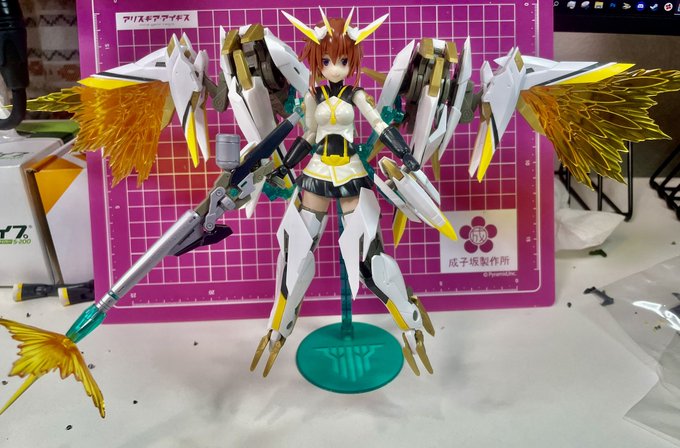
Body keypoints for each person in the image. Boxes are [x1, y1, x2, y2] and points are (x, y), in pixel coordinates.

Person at [250, 9, 435, 377]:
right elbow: (307, 135)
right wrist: (287, 166)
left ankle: (409, 319)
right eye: (328, 61)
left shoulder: (357, 94)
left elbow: (379, 125)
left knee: (368, 258)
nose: (335, 68)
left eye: (343, 61)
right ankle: (278, 327)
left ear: (352, 62)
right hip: (317, 173)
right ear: (317, 62)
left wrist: (403, 153)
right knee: (296, 251)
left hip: (351, 173)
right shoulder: (313, 95)